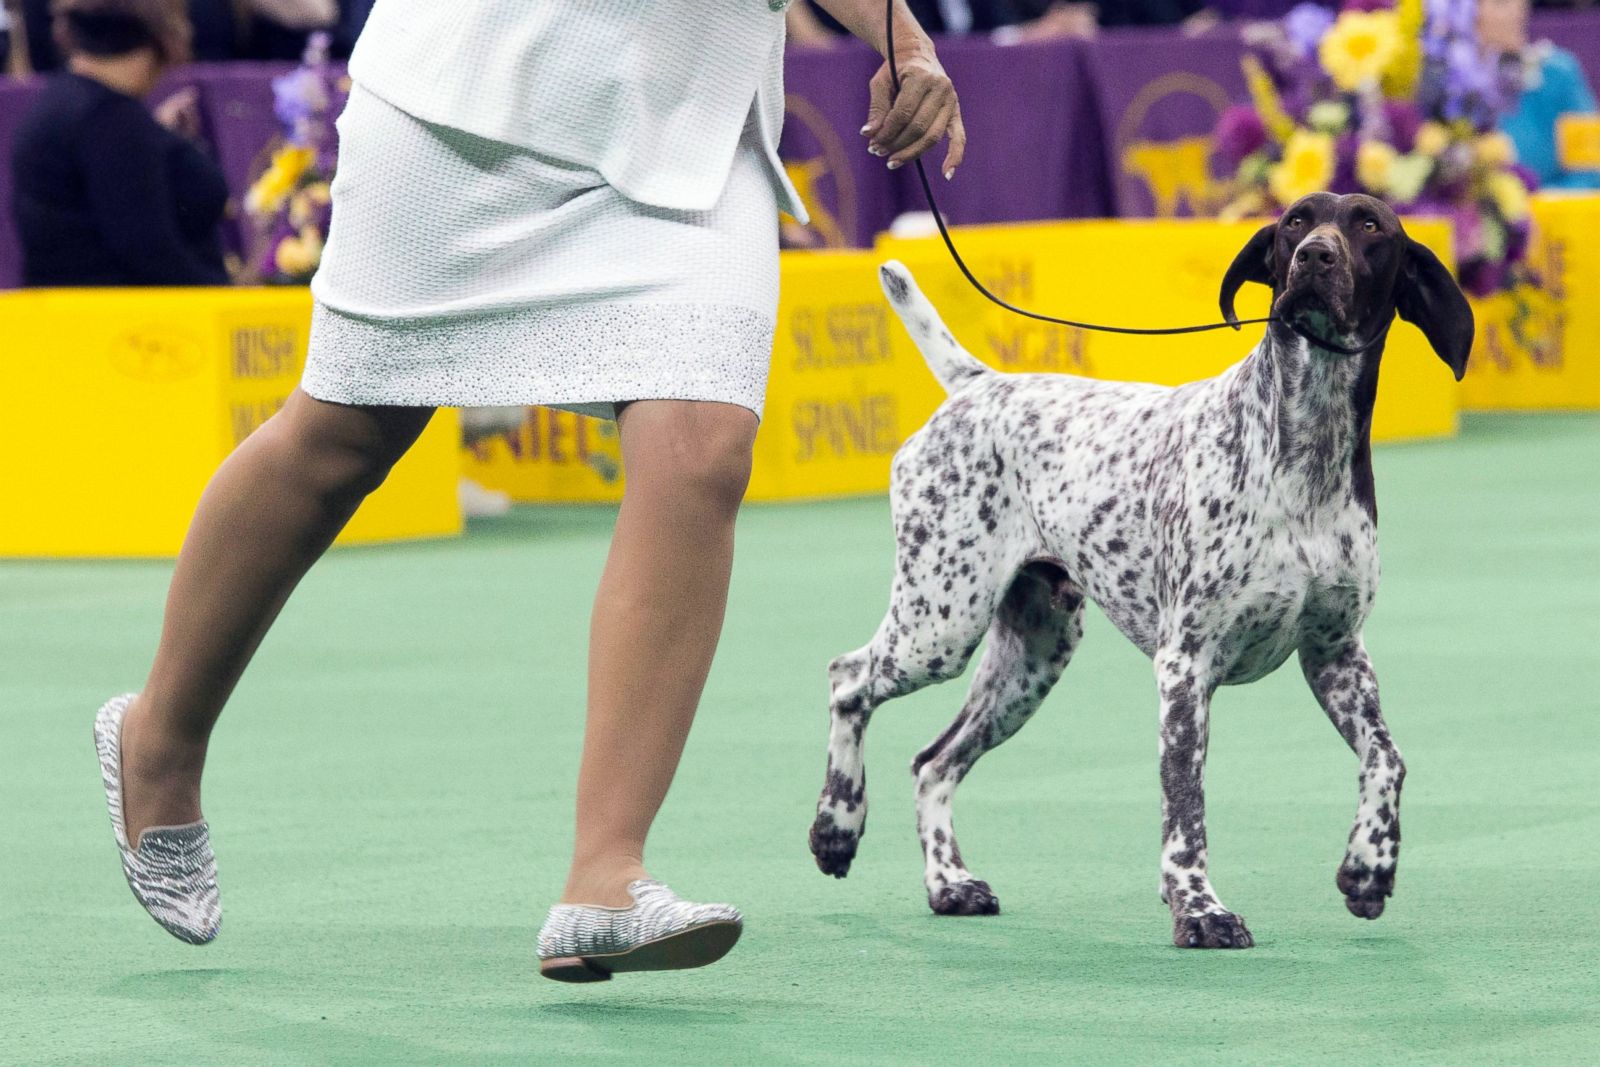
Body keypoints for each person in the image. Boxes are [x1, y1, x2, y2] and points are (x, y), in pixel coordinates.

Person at [93, 0, 966, 981]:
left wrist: (902, 37)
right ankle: (159, 735)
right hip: (474, 92)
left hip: (688, 118)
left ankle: (605, 869)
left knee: (702, 444)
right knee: (346, 432)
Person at [10, 0, 229, 286]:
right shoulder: (110, 120)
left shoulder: (63, 104)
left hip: (71, 311)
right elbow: (149, 250)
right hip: (119, 318)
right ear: (161, 41)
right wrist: (232, 301)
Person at [1479, 0, 1600, 189]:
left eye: (1516, 4)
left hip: (1551, 211)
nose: (1515, 12)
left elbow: (1592, 167)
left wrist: (1538, 204)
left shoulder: (1559, 72)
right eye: (1499, 3)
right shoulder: (1454, 85)